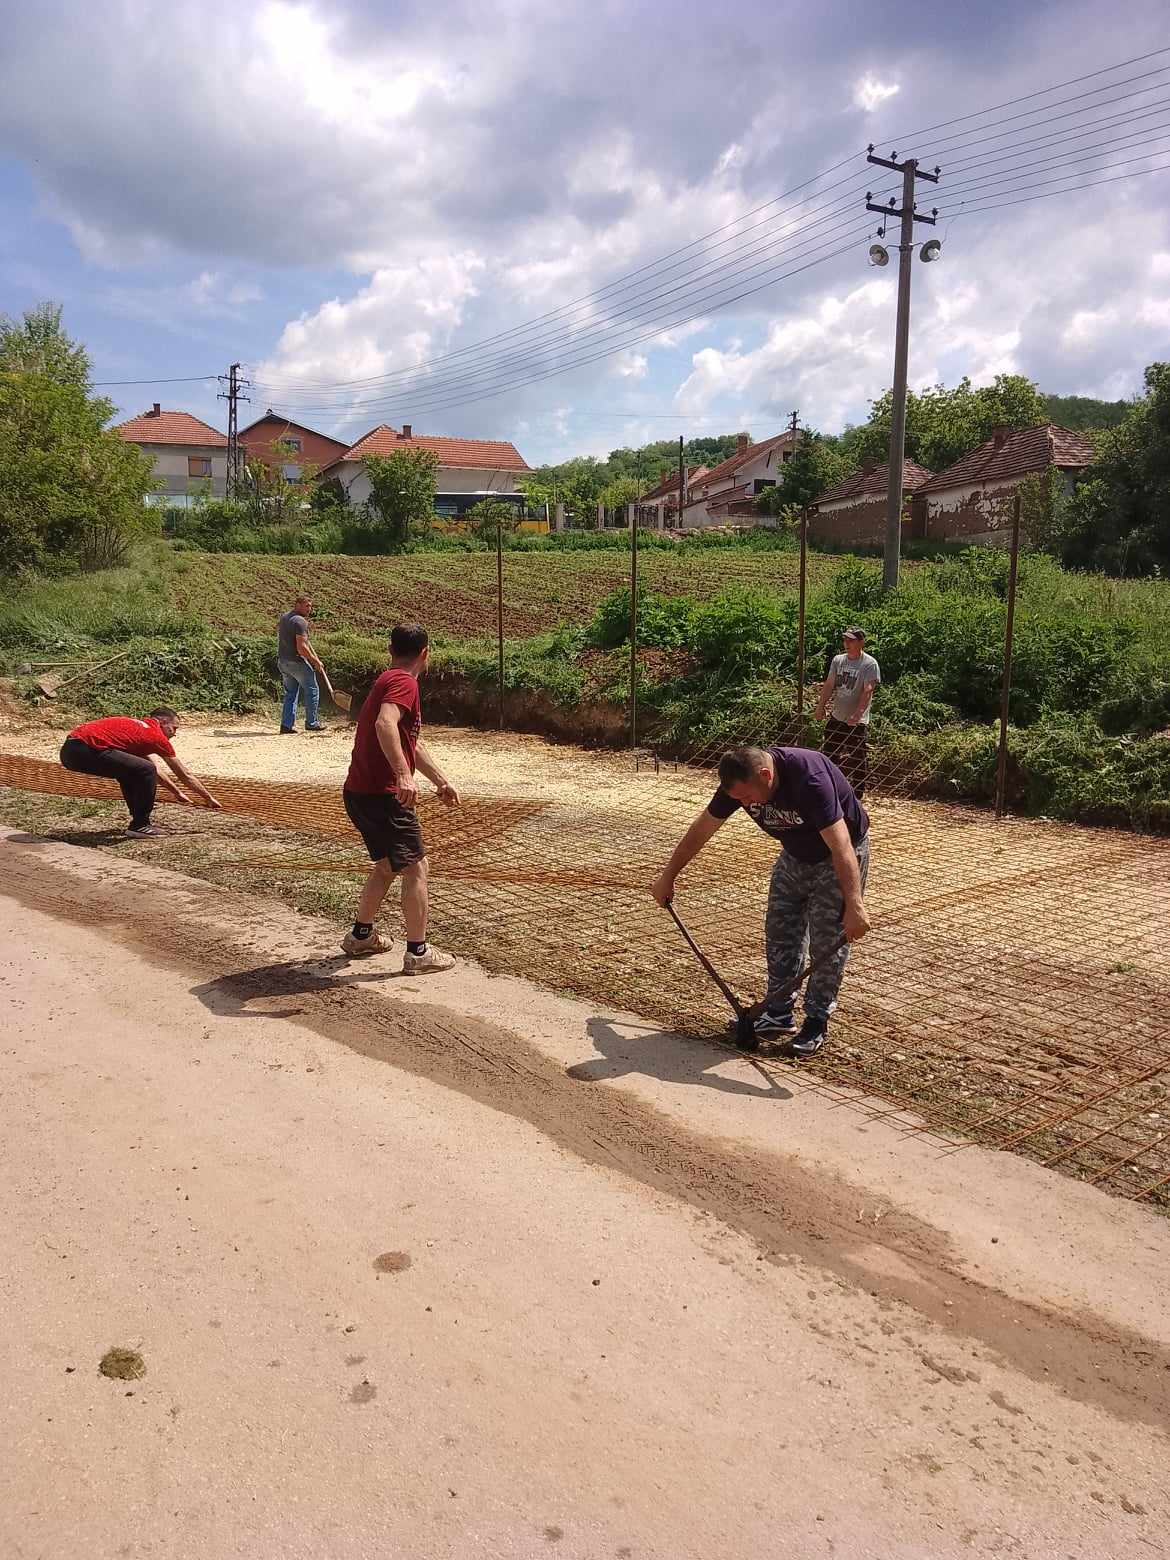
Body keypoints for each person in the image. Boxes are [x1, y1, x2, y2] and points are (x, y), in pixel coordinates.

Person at [651, 744, 871, 1058]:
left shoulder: (809, 778)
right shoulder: (739, 783)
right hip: (795, 854)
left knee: (827, 939)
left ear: (766, 775)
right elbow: (702, 829)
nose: (743, 804)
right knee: (781, 930)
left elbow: (841, 846)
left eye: (746, 797)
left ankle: (816, 1020)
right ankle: (778, 1013)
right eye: (738, 799)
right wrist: (668, 876)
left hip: (837, 856)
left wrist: (854, 904)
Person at [340, 622, 460, 972]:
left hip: (359, 792)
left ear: (390, 649)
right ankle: (418, 953)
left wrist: (440, 781)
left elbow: (410, 741)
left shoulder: (386, 679)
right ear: (426, 653)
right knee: (417, 866)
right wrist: (403, 776)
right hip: (384, 795)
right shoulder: (404, 682)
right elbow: (385, 724)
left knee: (387, 865)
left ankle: (361, 937)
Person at [59, 708, 222, 837]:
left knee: (133, 771)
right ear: (163, 722)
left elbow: (154, 771)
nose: (174, 734)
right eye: (174, 728)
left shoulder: (138, 730)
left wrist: (177, 793)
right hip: (85, 749)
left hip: (70, 750)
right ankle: (141, 825)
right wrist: (208, 798)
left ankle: (138, 822)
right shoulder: (155, 736)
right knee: (144, 769)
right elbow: (184, 774)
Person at [813, 626, 881, 800]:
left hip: (856, 722)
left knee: (858, 759)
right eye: (845, 640)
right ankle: (830, 790)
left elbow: (868, 690)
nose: (847, 643)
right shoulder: (838, 660)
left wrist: (858, 714)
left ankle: (857, 796)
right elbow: (830, 684)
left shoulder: (869, 663)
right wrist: (821, 706)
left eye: (851, 640)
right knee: (829, 754)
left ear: (861, 642)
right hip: (837, 716)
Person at [277, 594, 328, 734]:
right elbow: (302, 648)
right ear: (297, 604)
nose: (309, 609)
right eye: (306, 606)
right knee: (312, 690)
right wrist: (315, 661)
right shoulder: (300, 622)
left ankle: (286, 726)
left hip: (283, 661)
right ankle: (312, 723)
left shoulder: (284, 617)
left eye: (310, 606)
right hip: (296, 662)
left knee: (290, 693)